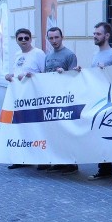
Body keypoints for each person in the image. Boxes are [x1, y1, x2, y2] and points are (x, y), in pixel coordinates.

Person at [85, 22, 112, 182]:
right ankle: (104, 169)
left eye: (98, 33)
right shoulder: (96, 55)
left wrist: (108, 71)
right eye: (94, 33)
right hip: (98, 101)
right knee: (100, 135)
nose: (95, 36)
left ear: (107, 36)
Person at [5, 29, 46, 170]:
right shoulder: (17, 55)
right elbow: (16, 73)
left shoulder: (38, 54)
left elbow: (44, 74)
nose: (23, 40)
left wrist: (31, 77)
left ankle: (42, 159)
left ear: (31, 39)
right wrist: (10, 76)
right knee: (21, 129)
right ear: (16, 40)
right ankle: (22, 158)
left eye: (26, 38)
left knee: (37, 128)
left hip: (34, 98)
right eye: (20, 38)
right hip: (19, 99)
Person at [43, 27, 80, 174]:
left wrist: (64, 74)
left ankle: (71, 163)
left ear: (62, 37)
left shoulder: (70, 55)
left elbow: (73, 77)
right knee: (55, 132)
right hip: (52, 100)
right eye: (51, 38)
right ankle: (59, 161)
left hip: (65, 99)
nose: (54, 41)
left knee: (67, 132)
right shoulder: (48, 56)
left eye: (56, 37)